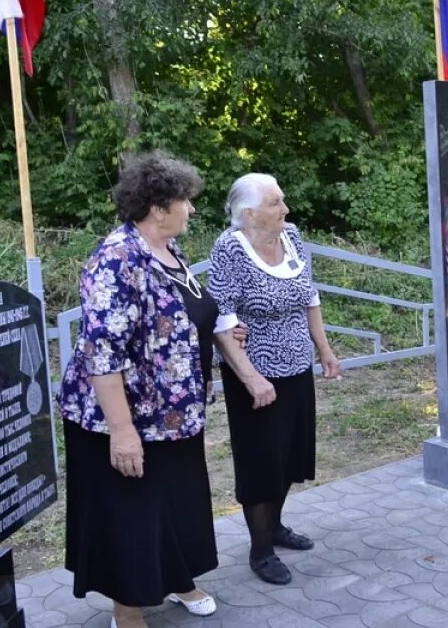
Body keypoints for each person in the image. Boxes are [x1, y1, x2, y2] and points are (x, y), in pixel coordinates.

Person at [57, 151, 224, 628]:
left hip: (173, 416)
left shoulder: (169, 252)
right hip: (122, 418)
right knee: (129, 513)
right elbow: (101, 352)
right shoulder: (117, 259)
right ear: (157, 208)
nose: (191, 209)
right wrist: (123, 432)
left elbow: (180, 316)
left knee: (176, 500)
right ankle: (127, 609)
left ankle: (177, 577)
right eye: (185, 201)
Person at [208, 173, 340, 587]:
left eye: (282, 201)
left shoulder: (293, 237)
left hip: (297, 367)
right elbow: (221, 316)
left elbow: (310, 297)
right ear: (248, 212)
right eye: (275, 203)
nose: (285, 209)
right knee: (260, 461)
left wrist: (325, 350)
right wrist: (249, 377)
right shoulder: (229, 248)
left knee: (288, 455)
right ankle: (260, 549)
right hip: (254, 375)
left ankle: (276, 527)